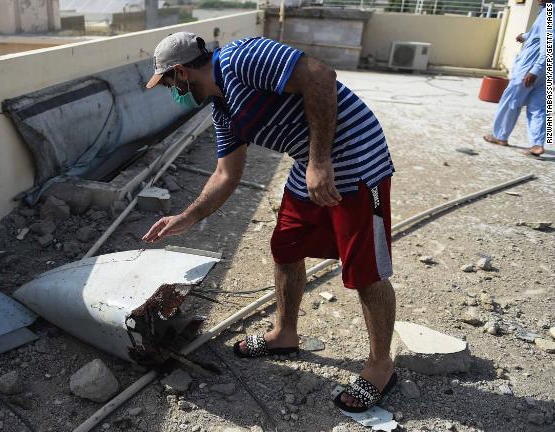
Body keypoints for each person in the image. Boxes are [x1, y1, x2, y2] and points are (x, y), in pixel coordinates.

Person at [142, 32, 397, 413]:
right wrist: (187, 217)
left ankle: (381, 366)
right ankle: (285, 333)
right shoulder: (223, 109)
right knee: (286, 246)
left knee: (365, 269)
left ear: (181, 71)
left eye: (169, 83)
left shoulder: (240, 59)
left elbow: (321, 76)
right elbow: (226, 175)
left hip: (357, 156)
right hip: (309, 162)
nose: (172, 92)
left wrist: (320, 162)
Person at [484, 0, 551, 157]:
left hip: (531, 68)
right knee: (538, 107)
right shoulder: (546, 12)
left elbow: (550, 42)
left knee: (512, 101)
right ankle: (537, 144)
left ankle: (500, 136)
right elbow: (541, 34)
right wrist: (525, 36)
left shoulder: (550, 13)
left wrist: (535, 70)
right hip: (547, 69)